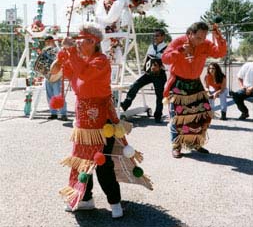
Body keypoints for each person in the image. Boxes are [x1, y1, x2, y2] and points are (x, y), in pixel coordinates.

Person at [51, 25, 152, 218]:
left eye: (80, 39)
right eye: (76, 39)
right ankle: (85, 199)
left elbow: (85, 74)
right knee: (81, 163)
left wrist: (71, 52)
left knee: (103, 164)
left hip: (102, 121)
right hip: (82, 123)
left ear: (92, 42)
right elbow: (56, 74)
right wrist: (59, 58)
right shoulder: (78, 59)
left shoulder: (101, 61)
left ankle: (115, 203)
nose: (76, 42)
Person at [162, 21, 227, 158]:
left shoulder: (206, 44)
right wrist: (179, 51)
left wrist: (218, 37)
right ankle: (176, 146)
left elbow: (219, 53)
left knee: (202, 114)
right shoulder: (178, 42)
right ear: (190, 34)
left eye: (204, 38)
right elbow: (165, 59)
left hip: (195, 84)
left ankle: (196, 143)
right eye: (198, 38)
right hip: (178, 84)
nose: (201, 41)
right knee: (178, 117)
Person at [120, 29, 167, 123]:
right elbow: (147, 58)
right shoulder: (151, 47)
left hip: (160, 74)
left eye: (157, 35)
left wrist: (161, 66)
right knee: (136, 85)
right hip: (149, 73)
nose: (155, 37)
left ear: (163, 37)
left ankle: (158, 116)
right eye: (154, 35)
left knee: (159, 95)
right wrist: (145, 66)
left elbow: (169, 63)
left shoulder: (167, 48)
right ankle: (126, 104)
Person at [44, 36, 68, 121]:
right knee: (49, 95)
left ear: (51, 41)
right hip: (47, 76)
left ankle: (63, 113)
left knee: (58, 95)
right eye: (45, 42)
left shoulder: (58, 50)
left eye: (47, 41)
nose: (46, 43)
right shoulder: (45, 50)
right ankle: (53, 113)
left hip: (57, 76)